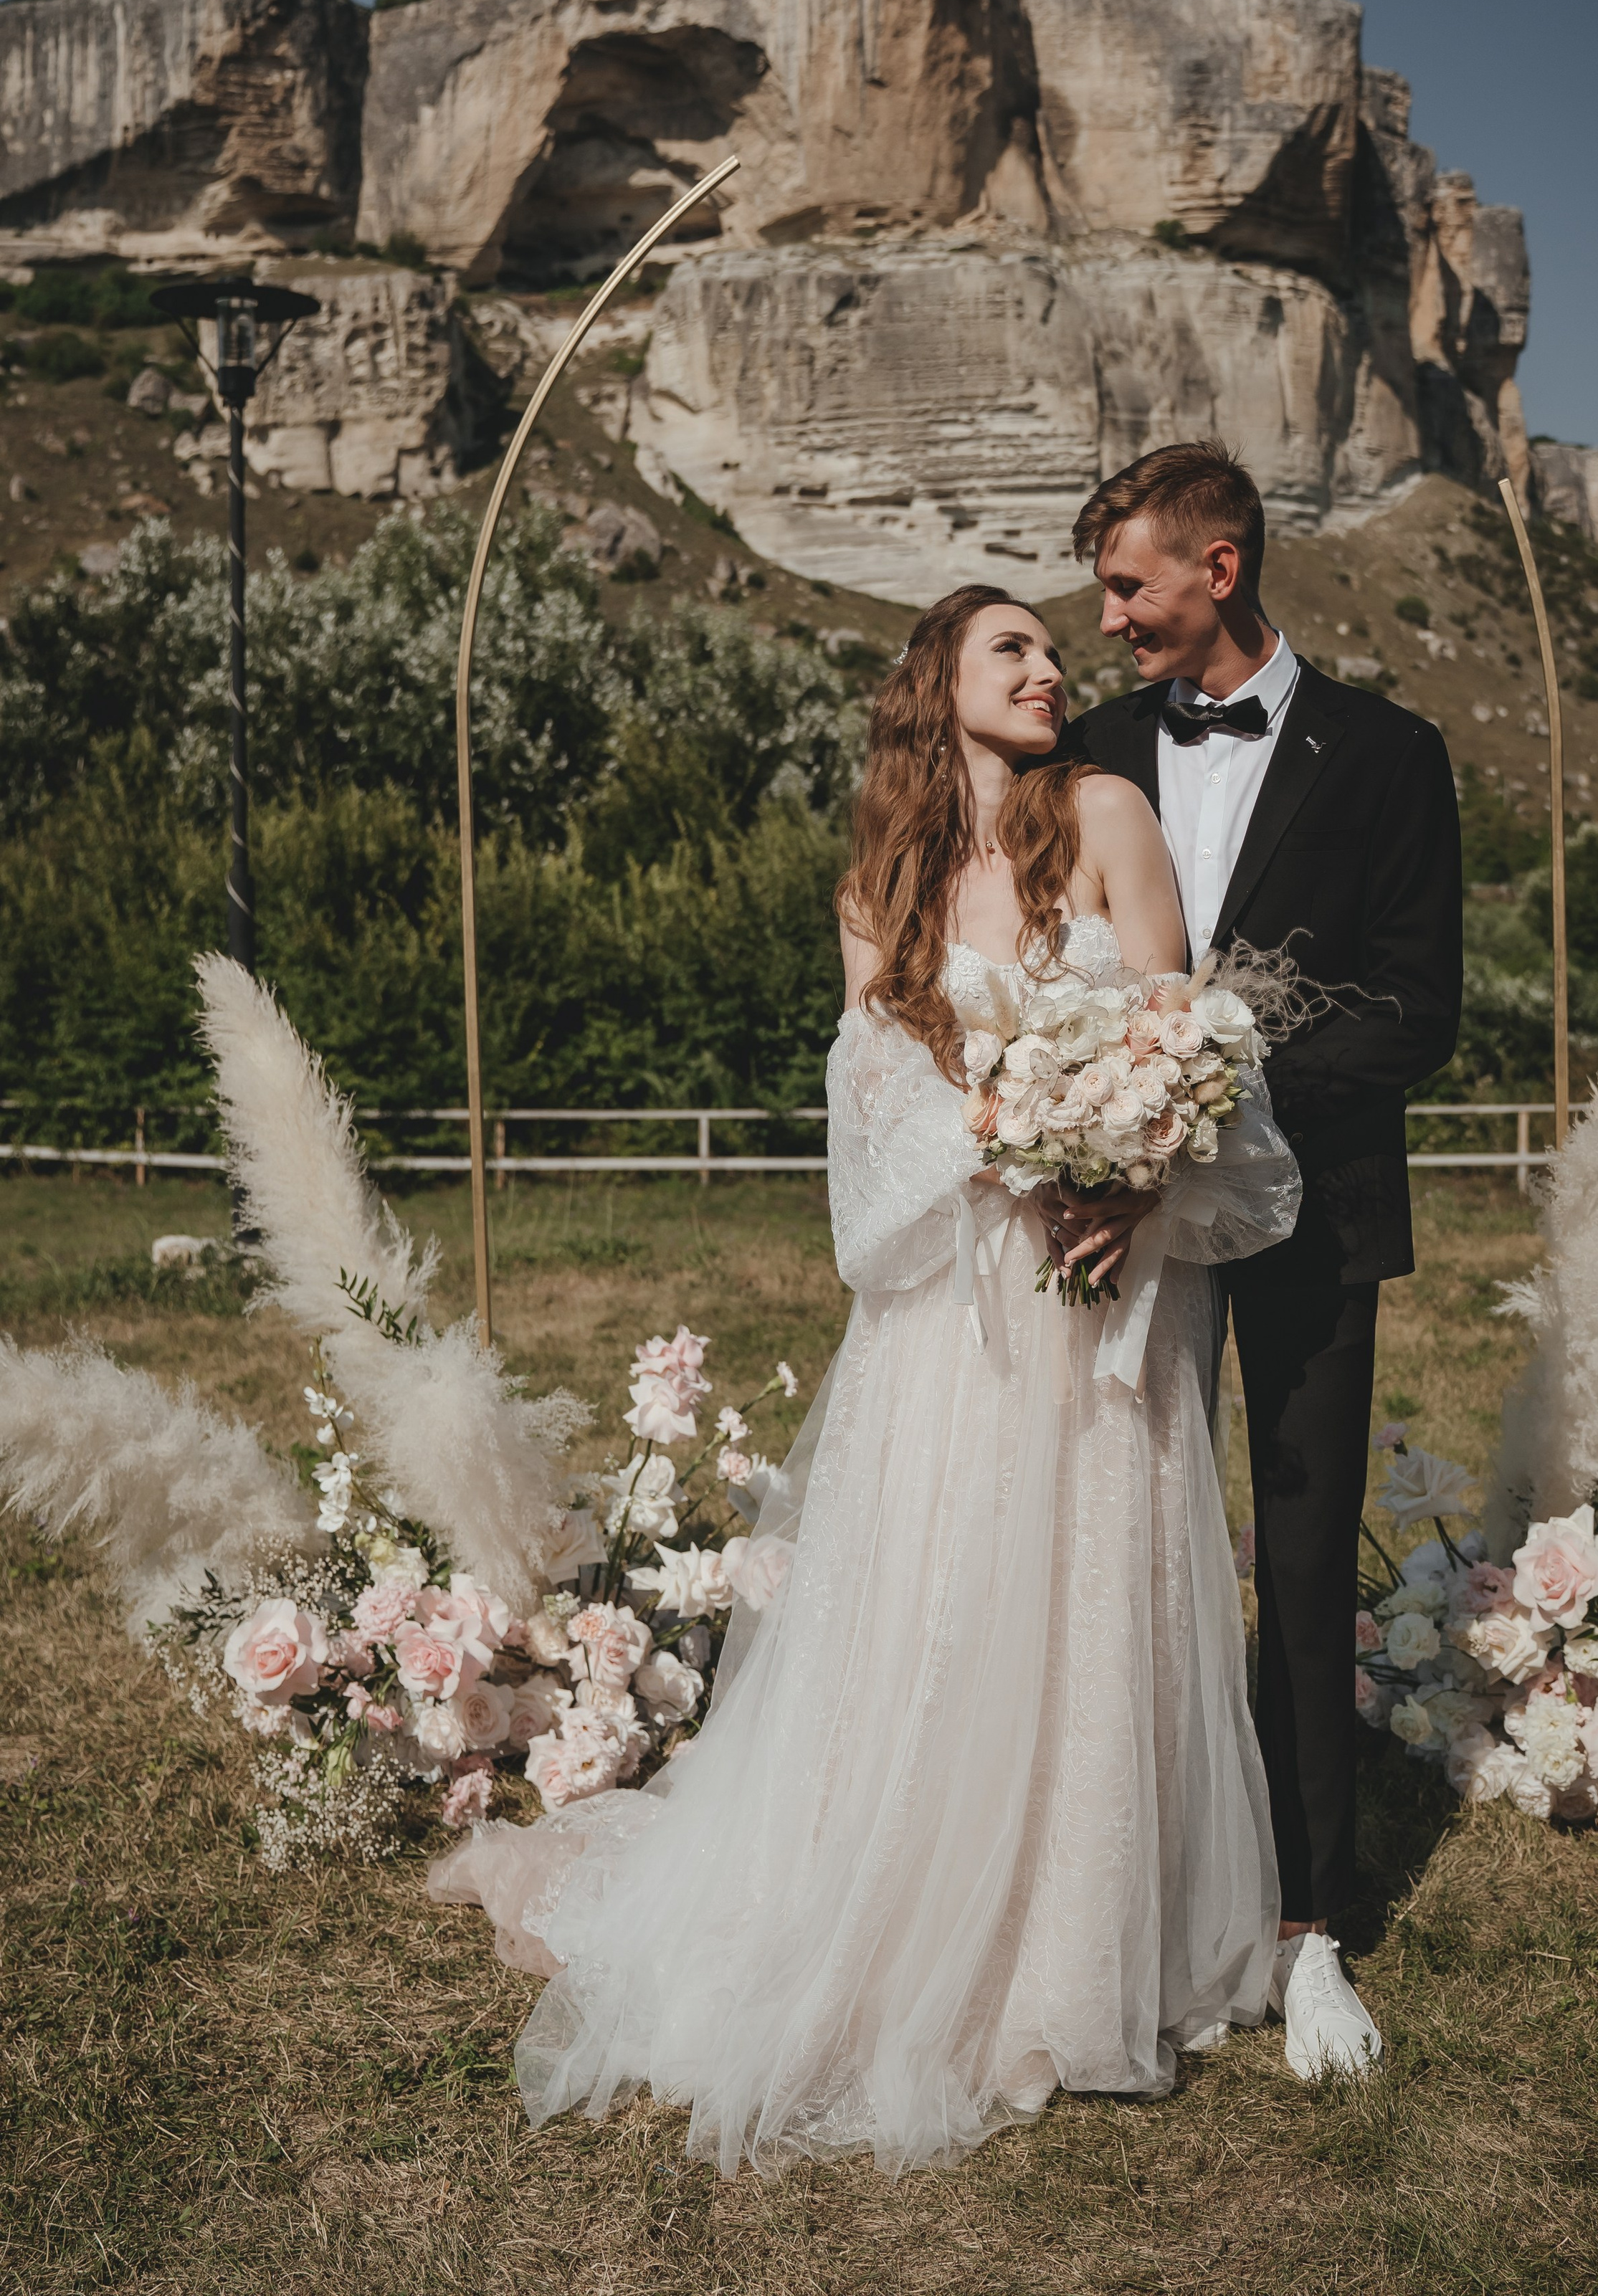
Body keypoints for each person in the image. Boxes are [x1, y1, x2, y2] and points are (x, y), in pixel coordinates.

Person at [430, 583, 1301, 2173]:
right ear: (935, 686)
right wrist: (990, 1131)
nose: (1051, 668)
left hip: (1106, 1286)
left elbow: (1184, 1042)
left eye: (1054, 648)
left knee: (1096, 1595)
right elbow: (867, 1127)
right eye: (1012, 650)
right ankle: (902, 1910)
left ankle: (1077, 1952)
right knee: (947, 1597)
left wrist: (1122, 1176)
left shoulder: (1107, 813)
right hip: (950, 1310)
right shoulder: (878, 884)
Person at [1050, 440, 1463, 2080]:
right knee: (1108, 1559)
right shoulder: (1082, 751)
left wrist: (1201, 1085)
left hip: (1309, 1215)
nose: (1106, 620)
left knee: (1295, 1570)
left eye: (1128, 585)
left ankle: (1309, 1929)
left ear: (1220, 571)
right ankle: (1115, 1892)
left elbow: (1413, 1013)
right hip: (1110, 1221)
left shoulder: (1389, 755)